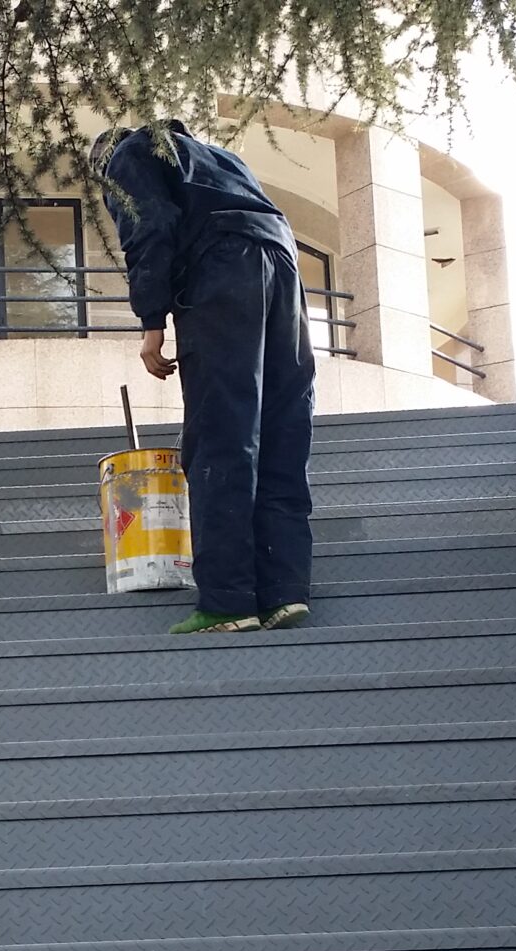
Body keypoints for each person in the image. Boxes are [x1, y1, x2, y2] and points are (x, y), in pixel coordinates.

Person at [93, 122, 315, 636]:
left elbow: (147, 227)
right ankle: (285, 593)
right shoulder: (218, 160)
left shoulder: (128, 154)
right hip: (283, 270)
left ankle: (228, 602)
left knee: (221, 436)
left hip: (222, 271)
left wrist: (152, 324)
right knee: (281, 431)